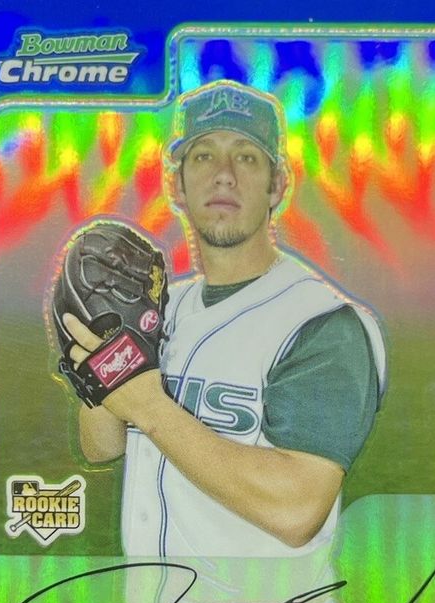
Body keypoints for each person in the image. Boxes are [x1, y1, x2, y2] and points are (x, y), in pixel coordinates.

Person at [63, 79, 386, 560]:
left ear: (278, 185)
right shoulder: (160, 307)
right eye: (203, 156)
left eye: (247, 157)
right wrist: (97, 370)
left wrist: (148, 405)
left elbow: (298, 510)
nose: (224, 175)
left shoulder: (322, 323)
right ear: (176, 185)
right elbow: (101, 447)